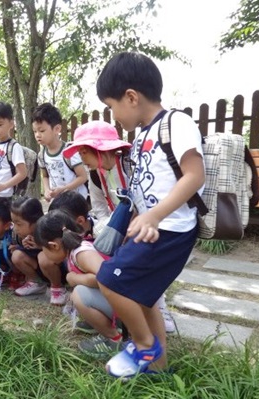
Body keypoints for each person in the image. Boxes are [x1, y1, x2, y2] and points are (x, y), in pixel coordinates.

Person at [94, 52, 205, 378]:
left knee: (108, 279)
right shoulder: (141, 135)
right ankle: (158, 370)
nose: (113, 116)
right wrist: (139, 218)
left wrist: (155, 215)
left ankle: (144, 346)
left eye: (112, 106)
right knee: (147, 297)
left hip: (172, 227)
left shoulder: (177, 123)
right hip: (152, 227)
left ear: (131, 97)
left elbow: (194, 175)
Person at [63, 119, 177, 334]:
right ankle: (124, 311)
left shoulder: (130, 164)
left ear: (95, 149)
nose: (81, 159)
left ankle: (160, 309)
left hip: (146, 222)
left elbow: (148, 197)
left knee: (149, 264)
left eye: (83, 153)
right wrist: (110, 230)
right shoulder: (95, 175)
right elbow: (98, 208)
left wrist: (136, 225)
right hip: (117, 228)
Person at [34, 210, 122, 352]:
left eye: (44, 249)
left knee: (79, 295)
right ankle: (97, 323)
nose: (44, 254)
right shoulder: (74, 251)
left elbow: (107, 278)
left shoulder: (82, 253)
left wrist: (75, 279)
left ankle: (115, 339)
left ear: (54, 245)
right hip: (116, 302)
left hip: (125, 306)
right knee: (80, 292)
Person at [32, 103, 88, 202]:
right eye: (35, 131)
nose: (37, 135)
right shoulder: (42, 155)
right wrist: (46, 190)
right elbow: (45, 176)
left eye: (41, 131)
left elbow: (83, 177)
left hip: (76, 201)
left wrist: (63, 189)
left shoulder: (69, 151)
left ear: (57, 129)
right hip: (58, 202)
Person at [9, 197, 46, 296]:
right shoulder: (20, 235)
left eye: (19, 224)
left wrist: (43, 247)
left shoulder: (47, 230)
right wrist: (19, 247)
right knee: (17, 255)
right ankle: (36, 283)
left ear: (35, 222)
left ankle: (57, 286)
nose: (15, 228)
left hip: (56, 270)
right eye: (13, 223)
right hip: (38, 267)